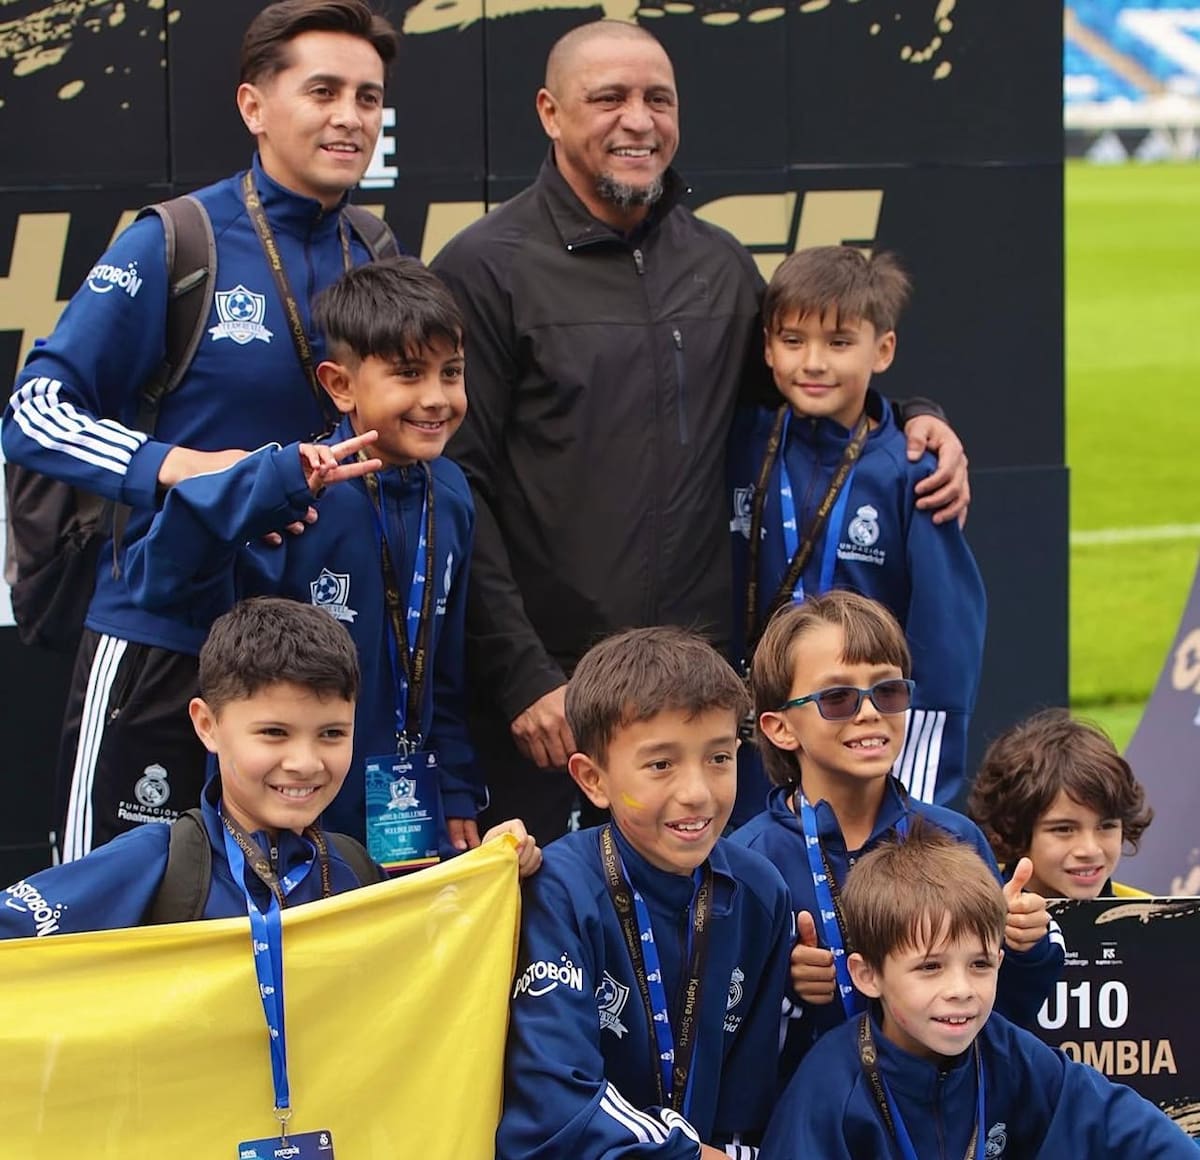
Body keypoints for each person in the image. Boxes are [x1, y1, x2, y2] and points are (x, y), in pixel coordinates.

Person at [430, 18, 971, 844]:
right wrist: (523, 675)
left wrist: (914, 415)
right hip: (558, 708)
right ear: (549, 111)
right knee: (556, 946)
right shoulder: (482, 267)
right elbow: (454, 488)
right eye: (608, 98)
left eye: (658, 99)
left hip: (703, 698)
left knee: (712, 941)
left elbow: (809, 393)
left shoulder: (719, 264)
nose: (638, 121)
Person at [2, 0, 399, 862]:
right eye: (323, 90)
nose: (350, 117)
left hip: (307, 657)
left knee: (292, 925)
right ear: (254, 106)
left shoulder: (374, 250)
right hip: (164, 637)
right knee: (105, 915)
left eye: (368, 98)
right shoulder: (176, 240)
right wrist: (179, 465)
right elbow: (34, 412)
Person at [121, 257, 486, 863]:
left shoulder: (450, 495)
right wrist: (267, 490)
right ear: (341, 385)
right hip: (283, 812)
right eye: (407, 374)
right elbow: (158, 581)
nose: (435, 398)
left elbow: (443, 666)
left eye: (451, 373)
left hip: (404, 818)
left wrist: (454, 786)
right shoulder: (294, 496)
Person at [0, 598, 541, 938]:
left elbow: (439, 940)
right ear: (207, 724)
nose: (304, 762)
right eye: (273, 733)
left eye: (331, 734)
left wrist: (498, 870)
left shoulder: (354, 871)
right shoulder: (158, 863)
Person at [731, 591, 1061, 1083]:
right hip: (814, 1131)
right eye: (836, 698)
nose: (868, 713)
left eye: (887, 691)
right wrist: (785, 990)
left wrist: (1024, 947)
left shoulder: (955, 837)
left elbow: (1005, 1014)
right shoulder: (747, 862)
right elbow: (723, 1036)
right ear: (780, 728)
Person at [496, 626, 792, 1159]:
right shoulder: (555, 890)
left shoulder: (760, 891)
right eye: (661, 764)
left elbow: (748, 1108)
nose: (697, 793)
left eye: (719, 758)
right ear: (593, 780)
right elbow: (554, 1107)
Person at [729, 246, 985, 819]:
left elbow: (946, 640)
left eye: (839, 343)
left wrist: (916, 799)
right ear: (767, 347)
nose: (813, 362)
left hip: (864, 742)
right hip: (755, 744)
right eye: (793, 341)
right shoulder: (741, 442)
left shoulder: (913, 468)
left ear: (883, 348)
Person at [757, 826, 1195, 1159]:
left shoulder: (1011, 1055)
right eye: (930, 967)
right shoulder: (828, 1088)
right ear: (867, 975)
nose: (961, 990)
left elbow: (1128, 1129)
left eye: (980, 964)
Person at [968, 708, 1154, 899]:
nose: (1090, 850)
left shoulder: (1156, 918)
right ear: (1012, 830)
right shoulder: (969, 922)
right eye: (1064, 829)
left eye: (1107, 826)